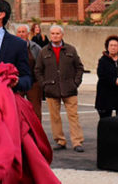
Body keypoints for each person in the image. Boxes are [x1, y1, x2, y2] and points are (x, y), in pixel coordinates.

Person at [35, 25, 85, 153]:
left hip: (69, 89)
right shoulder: (44, 51)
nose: (55, 36)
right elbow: (38, 70)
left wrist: (76, 82)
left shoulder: (71, 50)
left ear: (62, 35)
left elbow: (79, 67)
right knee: (55, 117)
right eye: (52, 33)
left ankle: (77, 141)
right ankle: (60, 140)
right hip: (51, 89)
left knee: (73, 116)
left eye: (57, 33)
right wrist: (44, 85)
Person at [17, 24, 43, 121]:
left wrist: (40, 80)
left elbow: (41, 64)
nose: (21, 34)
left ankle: (37, 134)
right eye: (19, 32)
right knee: (17, 110)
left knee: (36, 111)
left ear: (28, 34)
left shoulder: (35, 48)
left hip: (34, 83)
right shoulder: (12, 47)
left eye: (23, 32)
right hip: (18, 82)